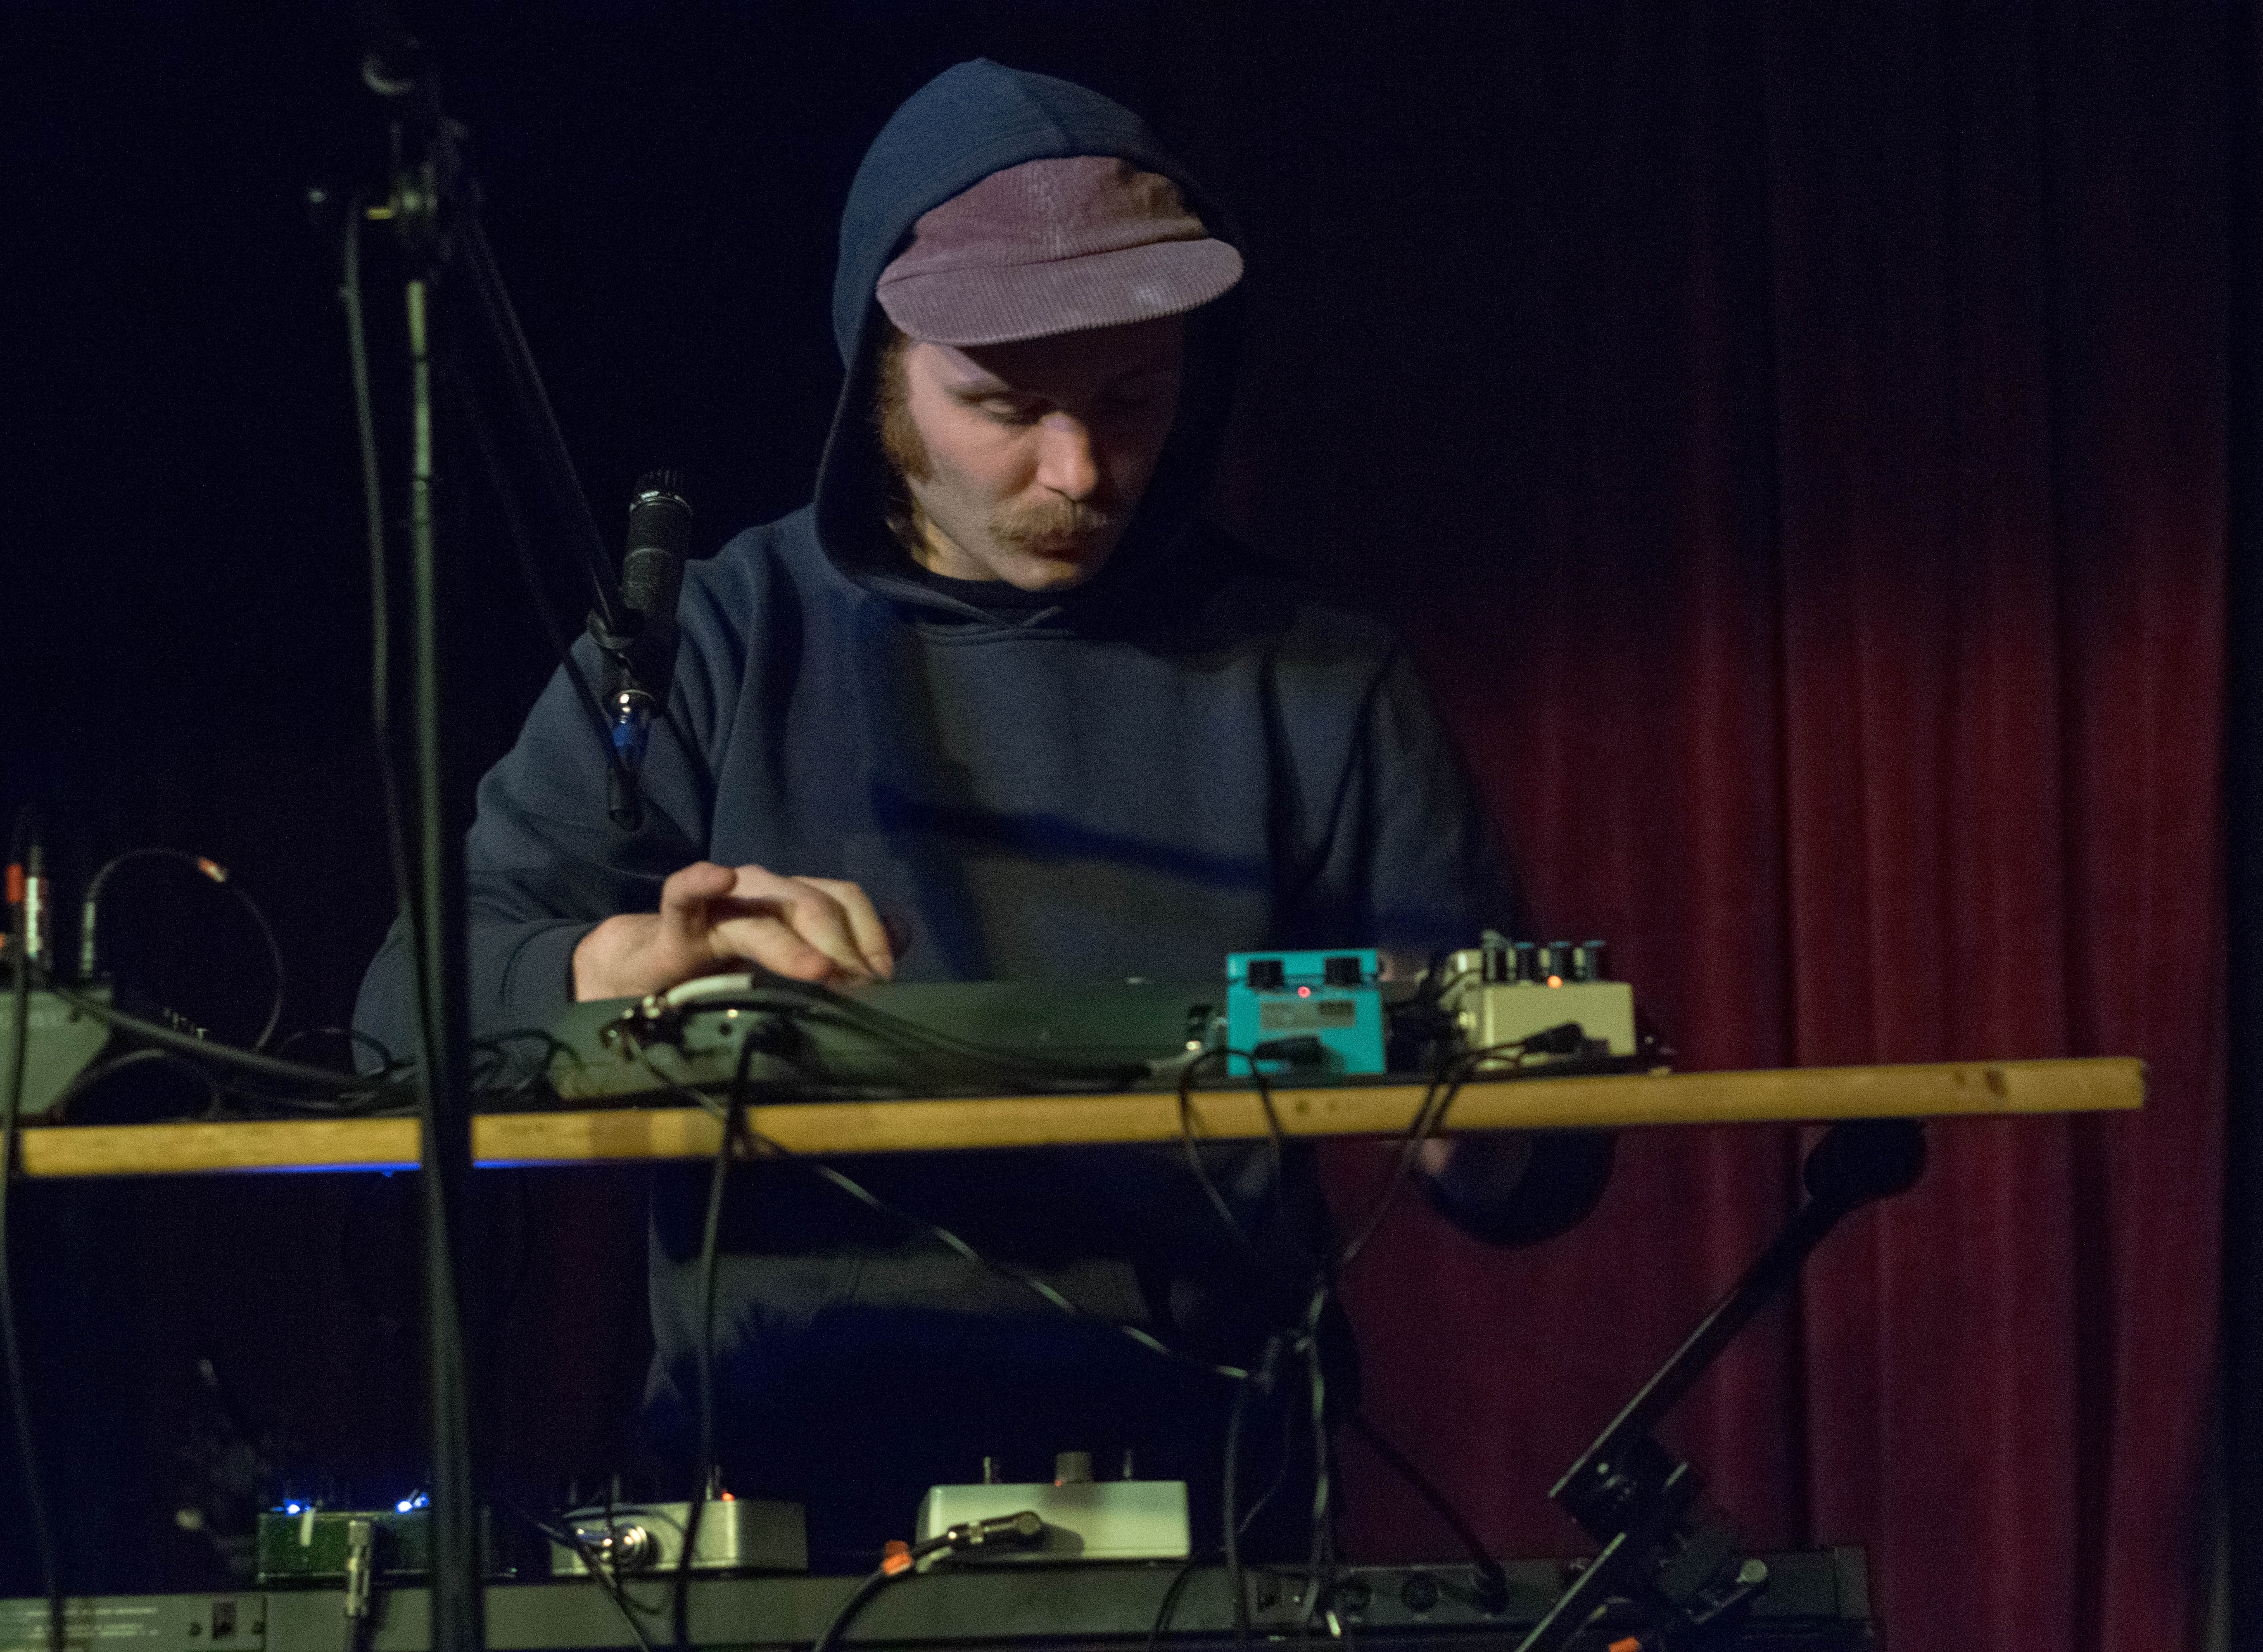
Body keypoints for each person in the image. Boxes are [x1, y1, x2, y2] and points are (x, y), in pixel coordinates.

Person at [355, 58, 1610, 1567]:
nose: (1080, 473)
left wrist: (1477, 1114)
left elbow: (1539, 1166)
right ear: (881, 376)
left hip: (1217, 1524)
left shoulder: (1319, 676)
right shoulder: (715, 641)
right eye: (1004, 407)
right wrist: (621, 963)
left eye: (1133, 401)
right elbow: (394, 1026)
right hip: (780, 1524)